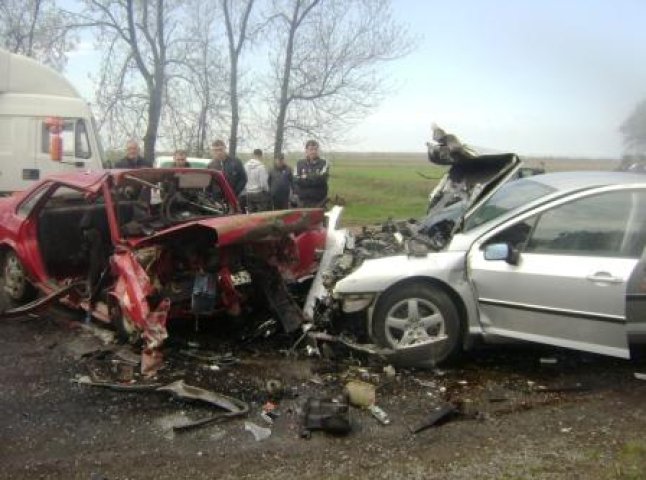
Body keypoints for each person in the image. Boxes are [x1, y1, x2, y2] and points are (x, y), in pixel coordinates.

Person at [294, 139, 329, 208]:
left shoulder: (324, 163)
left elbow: (321, 179)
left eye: (315, 149)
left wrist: (305, 177)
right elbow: (296, 179)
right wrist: (314, 177)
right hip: (302, 201)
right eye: (311, 149)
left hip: (319, 201)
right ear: (306, 151)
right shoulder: (299, 163)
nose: (313, 152)